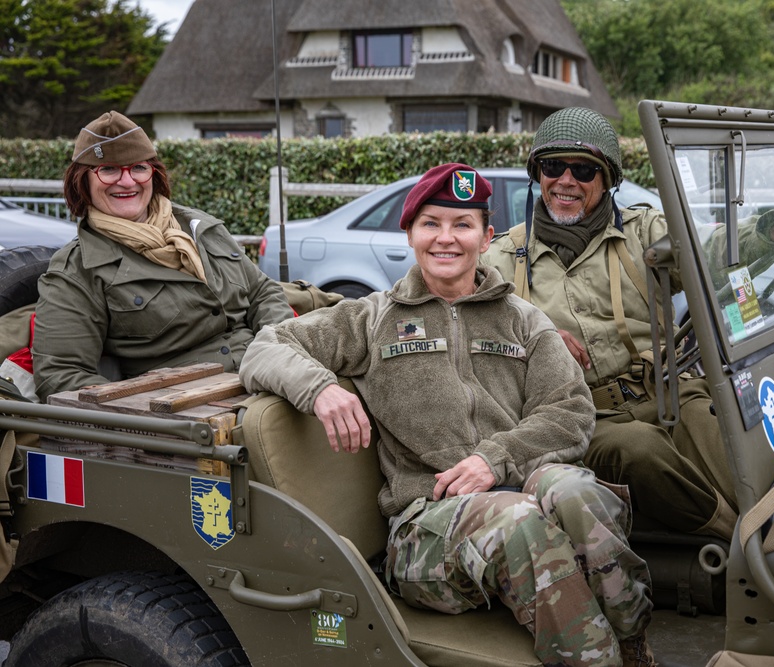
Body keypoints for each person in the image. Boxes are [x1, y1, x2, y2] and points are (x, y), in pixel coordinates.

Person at [239, 163, 657, 667]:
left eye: (462, 225)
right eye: (431, 223)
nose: (446, 238)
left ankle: (634, 644)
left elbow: (569, 409)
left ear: (486, 237)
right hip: (423, 531)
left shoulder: (522, 319)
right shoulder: (374, 318)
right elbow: (266, 346)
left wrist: (495, 459)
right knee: (519, 521)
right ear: (410, 233)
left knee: (579, 493)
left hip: (514, 490)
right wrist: (322, 388)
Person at [481, 107, 774, 540]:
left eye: (584, 169)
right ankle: (740, 540)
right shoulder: (500, 259)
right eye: (553, 166)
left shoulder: (642, 232)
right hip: (584, 414)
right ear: (538, 174)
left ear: (608, 178)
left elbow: (711, 243)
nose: (566, 181)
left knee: (735, 440)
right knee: (639, 451)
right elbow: (461, 323)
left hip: (668, 390)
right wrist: (538, 333)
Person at [32, 111, 293, 402]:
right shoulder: (78, 269)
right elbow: (61, 376)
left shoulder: (198, 227)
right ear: (83, 181)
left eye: (138, 167)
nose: (127, 181)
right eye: (108, 169)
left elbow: (262, 291)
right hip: (195, 409)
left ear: (153, 173)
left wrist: (281, 352)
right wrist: (152, 410)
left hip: (267, 376)